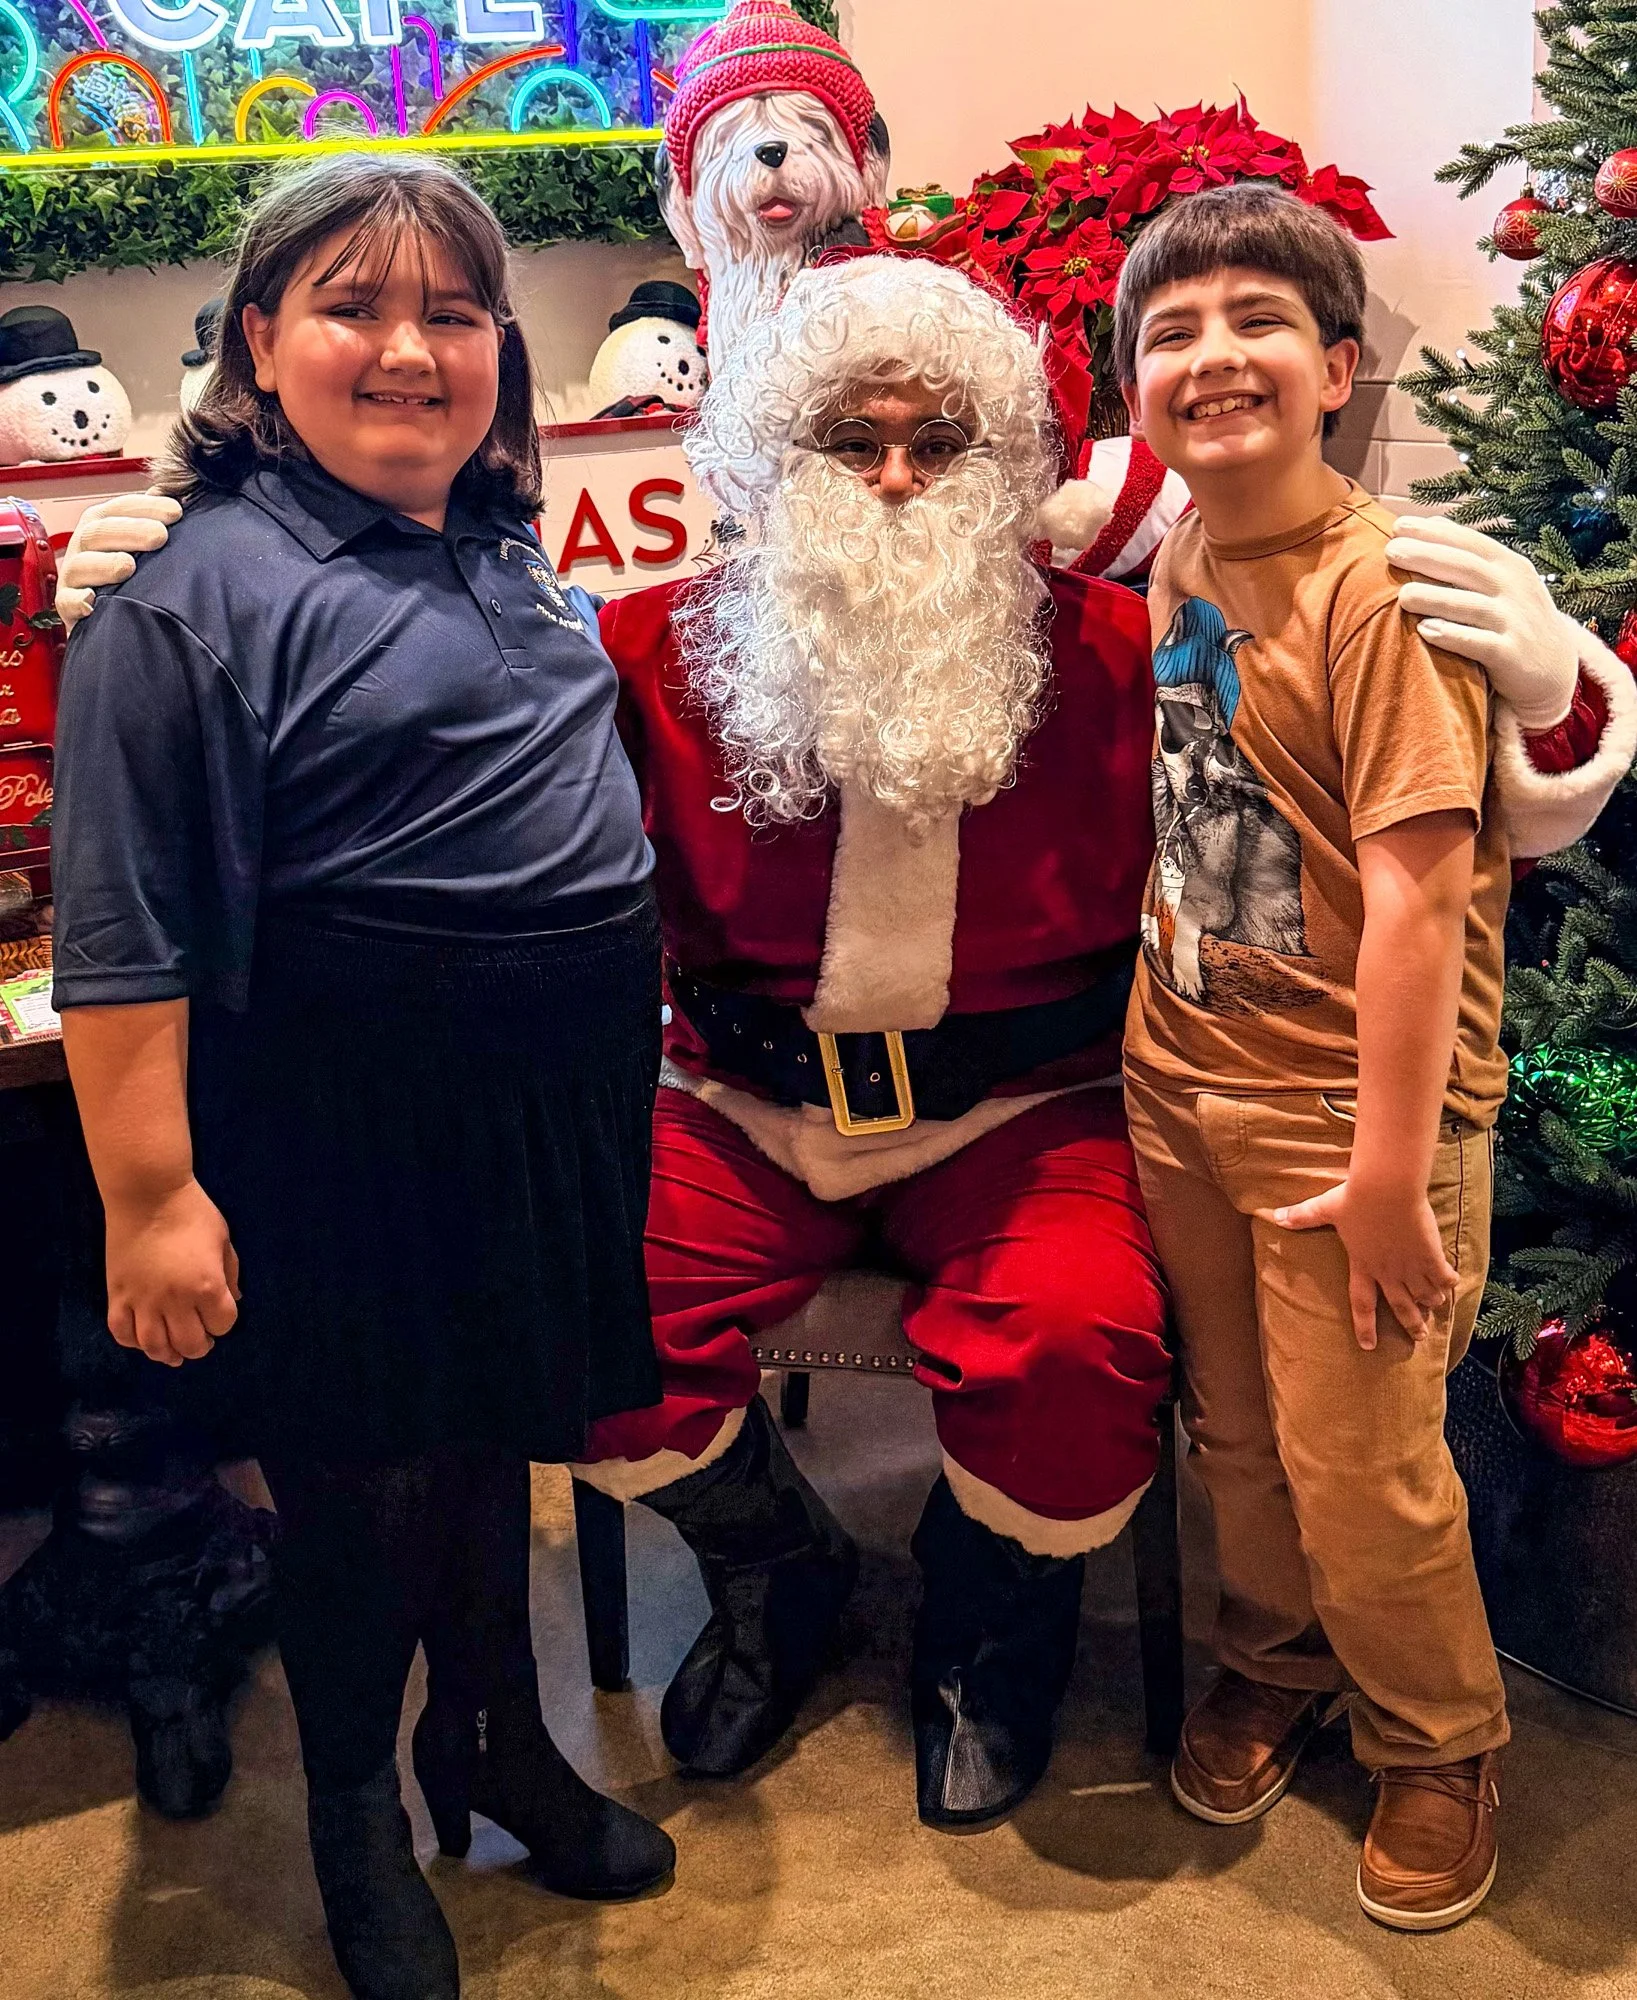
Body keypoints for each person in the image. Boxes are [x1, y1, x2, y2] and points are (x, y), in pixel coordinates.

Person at [56, 255, 1633, 1842]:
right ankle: (776, 1566)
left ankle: (993, 1608)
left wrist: (1553, 692)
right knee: (581, 1316)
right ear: (769, 456)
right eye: (846, 439)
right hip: (740, 1103)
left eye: (940, 441)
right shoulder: (645, 645)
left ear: (1003, 461)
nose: (893, 477)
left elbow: (1350, 784)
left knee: (1074, 1347)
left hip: (1027, 1112)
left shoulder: (1122, 646)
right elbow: (413, 727)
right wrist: (178, 586)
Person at [49, 155, 675, 2000]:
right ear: (259, 341)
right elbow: (124, 930)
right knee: (361, 1495)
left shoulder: (500, 538)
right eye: (353, 308)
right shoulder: (187, 596)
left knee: (490, 1454)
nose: (410, 349)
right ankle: (353, 1819)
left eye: (454, 314)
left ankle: (497, 1744)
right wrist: (151, 1197)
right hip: (351, 1123)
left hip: (547, 1108)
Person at [1113, 182, 1592, 1932]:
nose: (1213, 357)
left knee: (1367, 1463)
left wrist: (1393, 1171)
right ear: (1134, 386)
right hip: (1182, 1077)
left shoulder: (1384, 593)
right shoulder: (1183, 545)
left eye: (1257, 322)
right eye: (1172, 332)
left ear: (1336, 370)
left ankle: (1438, 1735)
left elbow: (1419, 903)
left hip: (1349, 1118)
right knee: (1238, 1431)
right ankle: (1280, 1651)